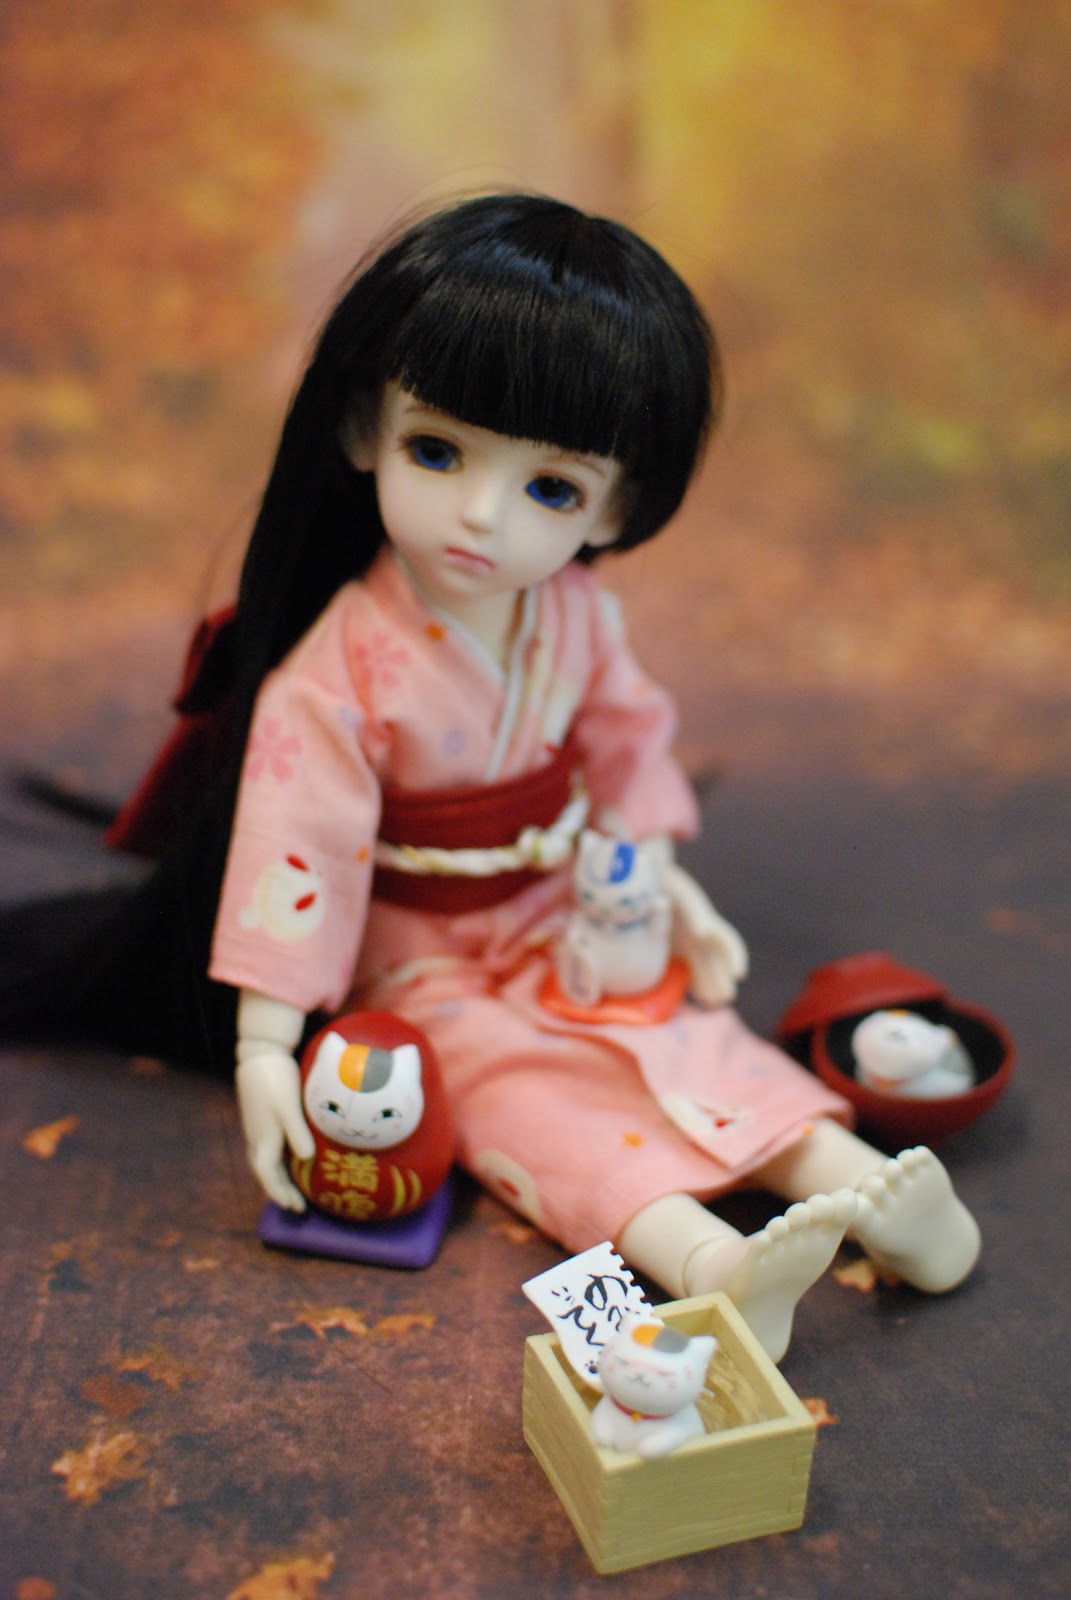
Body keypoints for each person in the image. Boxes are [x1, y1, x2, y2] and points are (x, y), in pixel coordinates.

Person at [2, 195, 980, 1360]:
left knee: (686, 1034)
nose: (480, 512)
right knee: (519, 1097)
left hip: (566, 906)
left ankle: (867, 1185)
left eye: (550, 488)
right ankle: (714, 1267)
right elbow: (297, 849)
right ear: (364, 429)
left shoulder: (576, 616)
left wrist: (661, 880)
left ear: (614, 505)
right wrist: (266, 1047)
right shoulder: (339, 669)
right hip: (419, 956)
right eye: (437, 450)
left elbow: (626, 744)